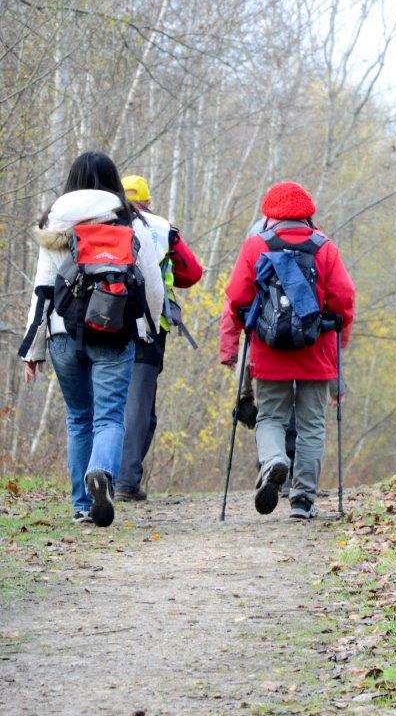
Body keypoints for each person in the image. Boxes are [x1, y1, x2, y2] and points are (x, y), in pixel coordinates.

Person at [18, 152, 165, 526]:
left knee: (79, 417)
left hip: (62, 333)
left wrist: (32, 350)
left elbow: (42, 292)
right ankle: (101, 472)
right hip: (113, 330)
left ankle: (83, 505)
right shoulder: (130, 221)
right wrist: (148, 327)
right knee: (109, 416)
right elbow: (151, 282)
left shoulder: (53, 223)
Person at [219, 181, 355, 520]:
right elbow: (344, 299)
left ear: (269, 214)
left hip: (270, 349)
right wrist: (340, 341)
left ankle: (275, 460)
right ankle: (302, 501)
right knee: (311, 425)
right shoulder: (325, 248)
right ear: (309, 214)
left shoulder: (256, 246)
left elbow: (235, 298)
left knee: (270, 417)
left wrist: (230, 347)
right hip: (315, 349)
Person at [115, 174, 204, 502]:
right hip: (150, 325)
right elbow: (192, 273)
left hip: (104, 323)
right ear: (148, 201)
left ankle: (97, 473)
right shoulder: (161, 227)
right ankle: (125, 481)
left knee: (108, 399)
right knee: (139, 405)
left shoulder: (101, 222)